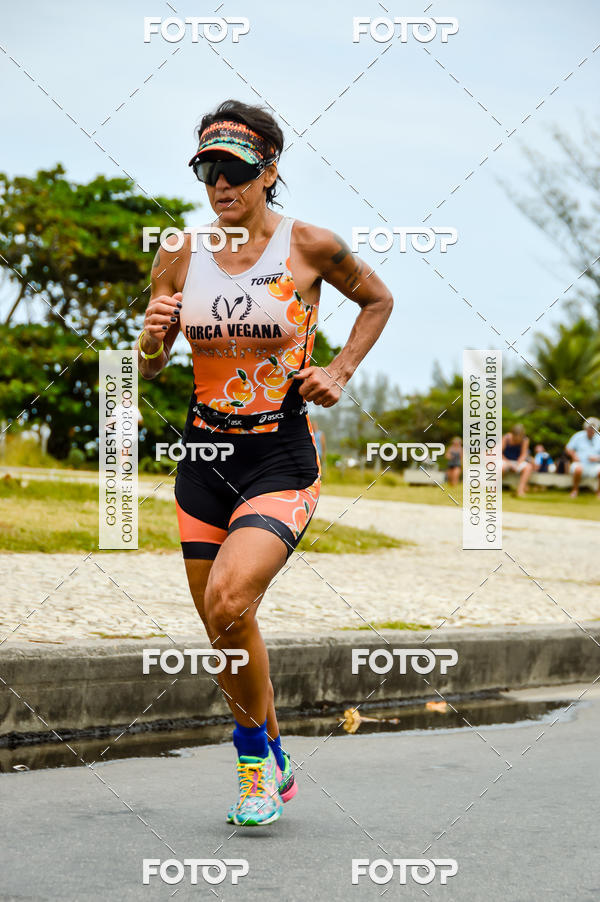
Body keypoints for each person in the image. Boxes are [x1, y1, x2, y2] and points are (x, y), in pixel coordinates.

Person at [136, 100, 393, 827]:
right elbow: (150, 366)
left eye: (237, 170)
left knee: (227, 601)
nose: (221, 184)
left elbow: (377, 299)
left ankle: (251, 766)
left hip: (280, 455)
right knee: (225, 630)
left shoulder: (309, 246)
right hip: (203, 458)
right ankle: (273, 748)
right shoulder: (179, 254)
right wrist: (152, 338)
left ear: (270, 170)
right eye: (208, 169)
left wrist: (339, 370)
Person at [565, 417, 600, 498]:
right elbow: (568, 448)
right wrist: (574, 455)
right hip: (580, 463)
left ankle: (599, 493)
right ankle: (575, 490)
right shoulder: (578, 436)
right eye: (589, 428)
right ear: (586, 428)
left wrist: (597, 458)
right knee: (578, 469)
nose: (591, 431)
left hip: (595, 465)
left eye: (593, 429)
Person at [502, 424, 534, 497]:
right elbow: (499, 453)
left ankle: (520, 490)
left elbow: (523, 455)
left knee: (528, 467)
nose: (518, 439)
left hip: (517, 461)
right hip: (505, 460)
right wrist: (508, 463)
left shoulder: (525, 440)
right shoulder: (506, 438)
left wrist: (517, 464)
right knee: (501, 466)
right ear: (512, 434)